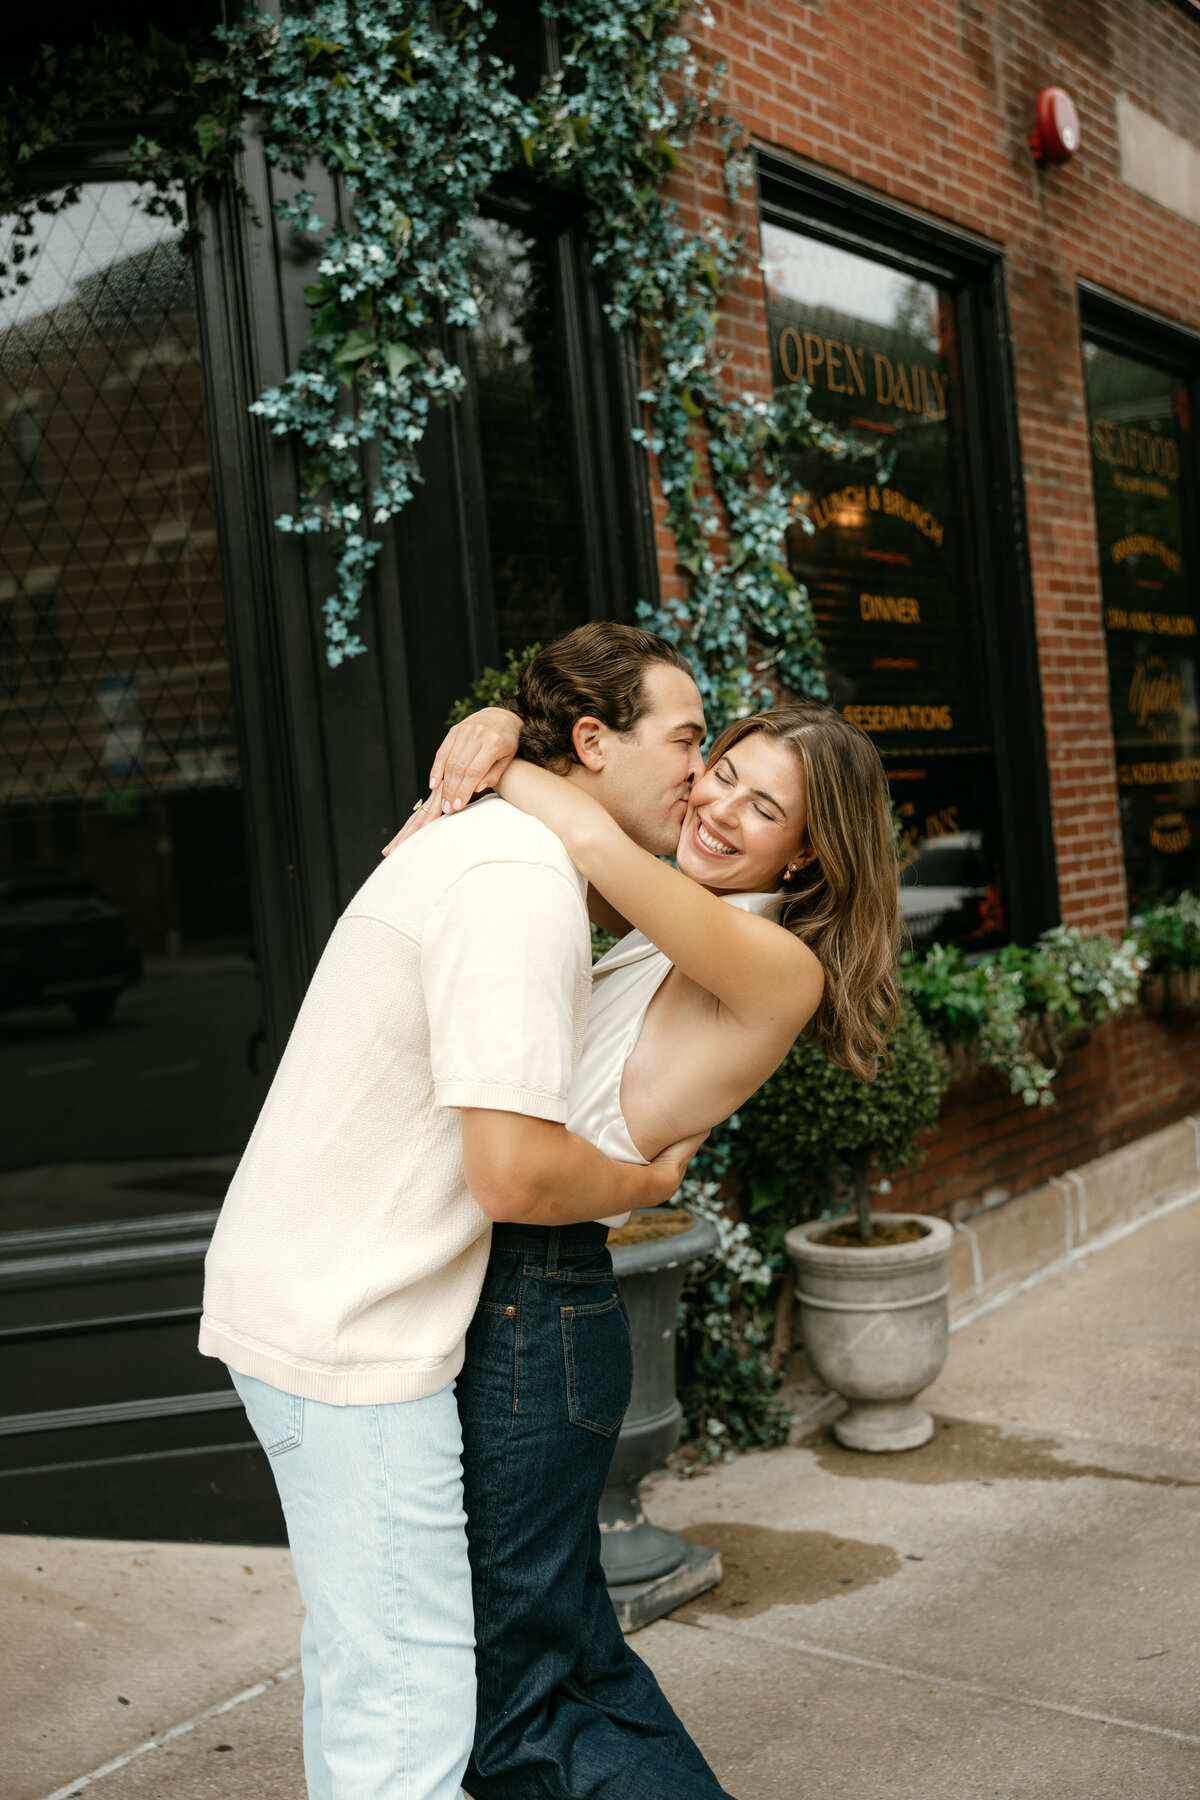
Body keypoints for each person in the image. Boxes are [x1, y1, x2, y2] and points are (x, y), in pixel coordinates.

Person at [199, 623, 714, 1800]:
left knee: (366, 1672)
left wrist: (505, 749)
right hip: (355, 1331)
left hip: (319, 1302)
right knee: (412, 1723)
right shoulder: (515, 883)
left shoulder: (510, 848)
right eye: (685, 739)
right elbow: (516, 1177)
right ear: (593, 740)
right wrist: (643, 1184)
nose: (700, 765)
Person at [389, 662, 901, 1800]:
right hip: (522, 1298)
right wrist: (492, 722)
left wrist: (497, 742)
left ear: (809, 854)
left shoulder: (775, 964)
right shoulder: (681, 927)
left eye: (763, 809)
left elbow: (596, 839)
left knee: (521, 1694)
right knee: (556, 1656)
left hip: (539, 1305)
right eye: (720, 774)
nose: (718, 808)